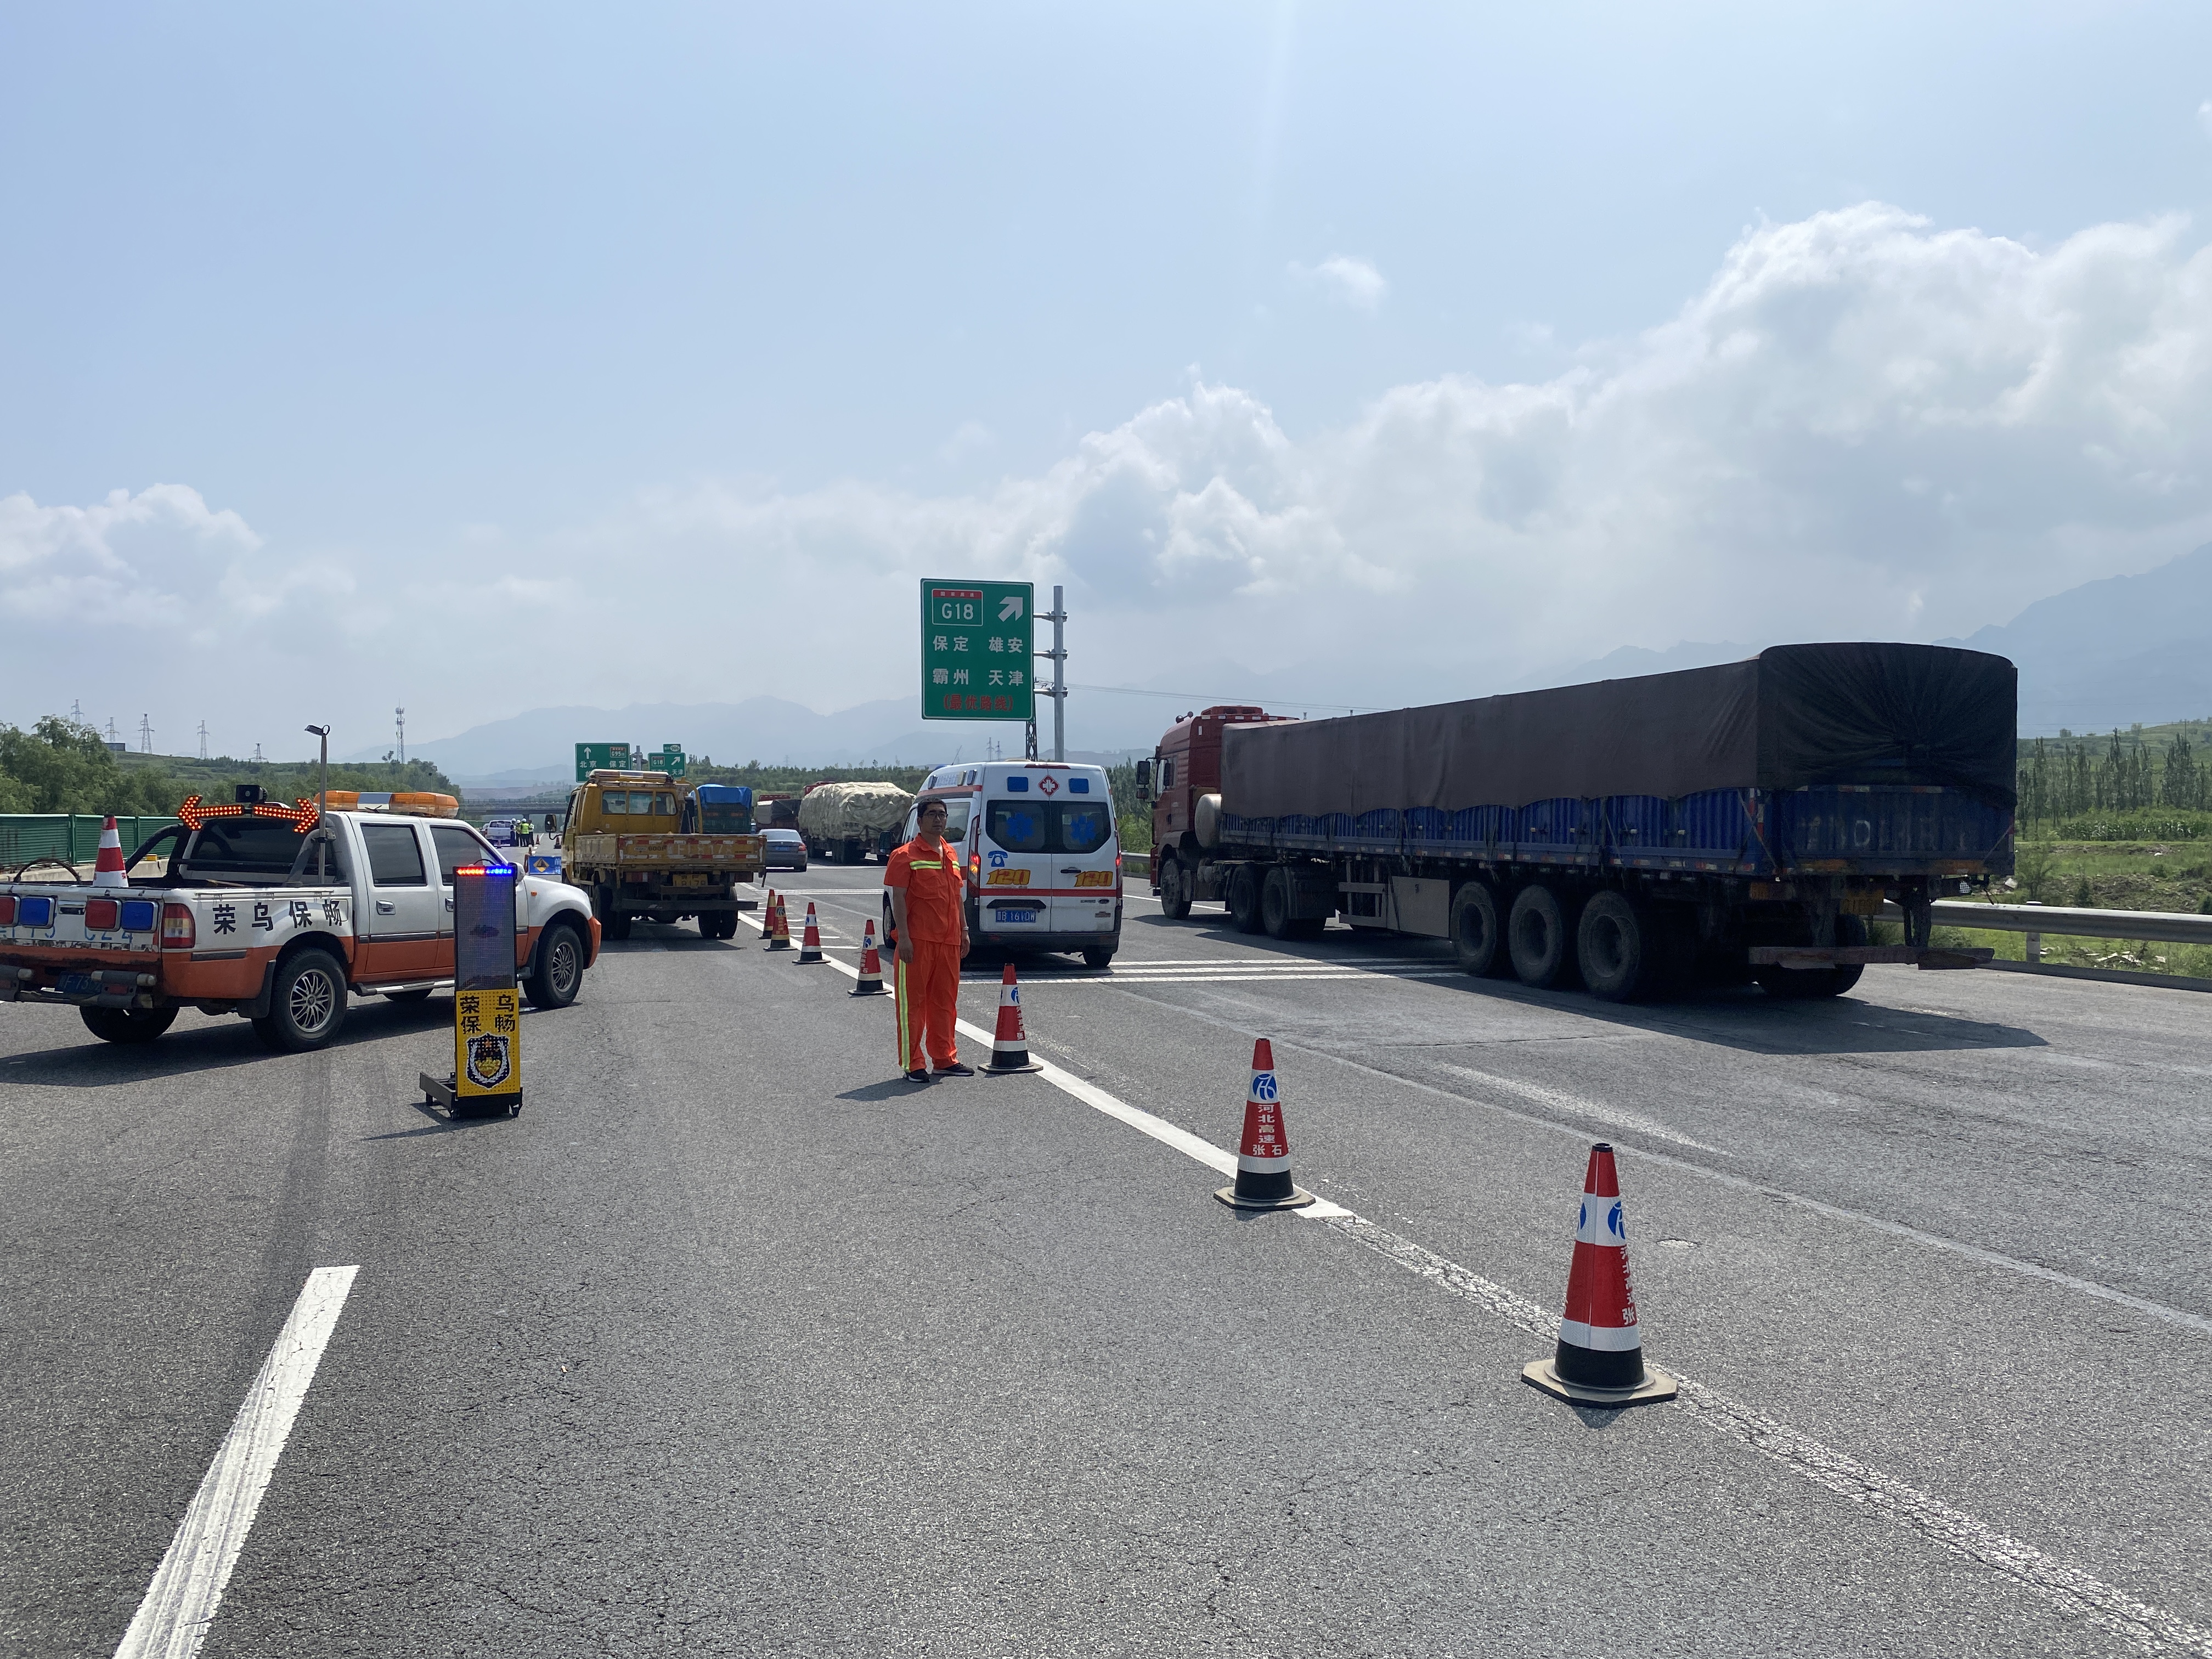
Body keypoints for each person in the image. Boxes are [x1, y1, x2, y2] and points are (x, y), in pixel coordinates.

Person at [884, 798, 972, 1082]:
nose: (938, 819)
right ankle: (913, 1063)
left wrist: (964, 931)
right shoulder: (904, 855)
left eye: (942, 815)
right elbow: (898, 898)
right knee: (913, 1005)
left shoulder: (951, 854)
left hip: (948, 942)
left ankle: (945, 1059)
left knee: (945, 1004)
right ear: (919, 821)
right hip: (918, 942)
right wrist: (904, 938)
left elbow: (957, 897)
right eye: (932, 815)